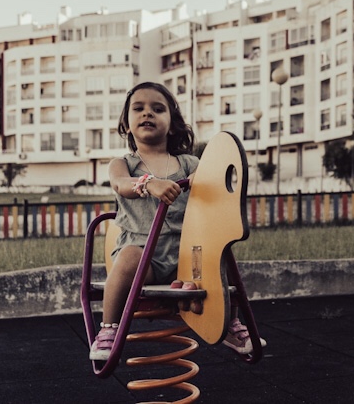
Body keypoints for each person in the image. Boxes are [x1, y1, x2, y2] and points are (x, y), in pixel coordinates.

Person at [89, 81, 264, 360]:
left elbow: (214, 190)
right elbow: (121, 184)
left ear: (171, 125)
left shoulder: (189, 163)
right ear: (127, 124)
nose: (147, 113)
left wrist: (203, 180)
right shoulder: (123, 164)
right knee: (128, 258)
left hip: (186, 256)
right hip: (143, 257)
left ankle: (229, 323)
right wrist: (148, 184)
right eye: (138, 108)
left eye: (158, 109)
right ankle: (108, 329)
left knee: (220, 259)